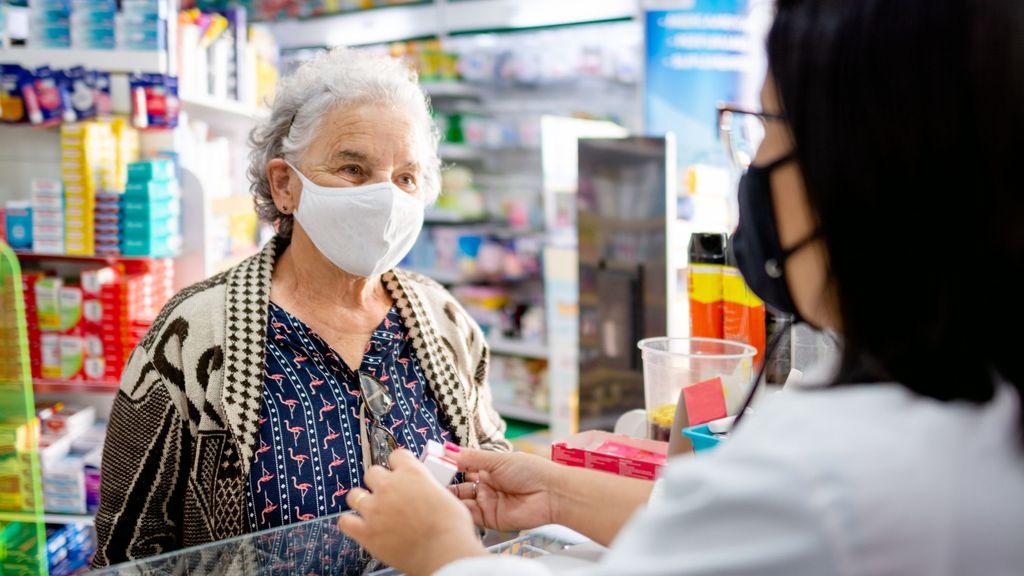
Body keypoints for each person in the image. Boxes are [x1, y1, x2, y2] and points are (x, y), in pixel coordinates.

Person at [336, 0, 1024, 574]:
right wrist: (557, 493)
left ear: (860, 168)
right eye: (351, 169)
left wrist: (445, 553)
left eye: (769, 131)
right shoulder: (967, 406)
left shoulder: (831, 474)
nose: (753, 175)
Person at [91, 48, 511, 568]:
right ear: (285, 185)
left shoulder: (445, 319)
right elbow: (128, 548)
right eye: (353, 168)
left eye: (406, 177)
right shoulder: (191, 337)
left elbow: (490, 464)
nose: (385, 198)